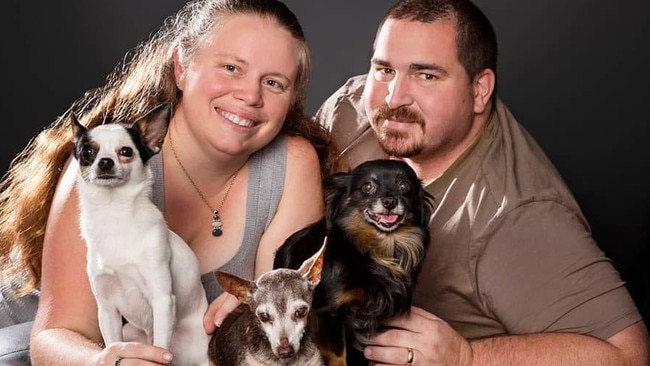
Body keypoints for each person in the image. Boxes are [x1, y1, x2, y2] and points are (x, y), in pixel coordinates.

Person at [315, 0, 650, 365]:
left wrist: (467, 356)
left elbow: (628, 355)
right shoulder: (353, 109)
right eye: (384, 70)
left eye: (426, 75)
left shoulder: (517, 216)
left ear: (479, 90)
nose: (393, 97)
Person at [0, 0, 334, 364]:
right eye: (231, 67)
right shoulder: (107, 164)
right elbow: (53, 334)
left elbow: (278, 306)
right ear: (180, 67)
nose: (250, 96)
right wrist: (110, 362)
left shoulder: (294, 165)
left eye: (273, 83)